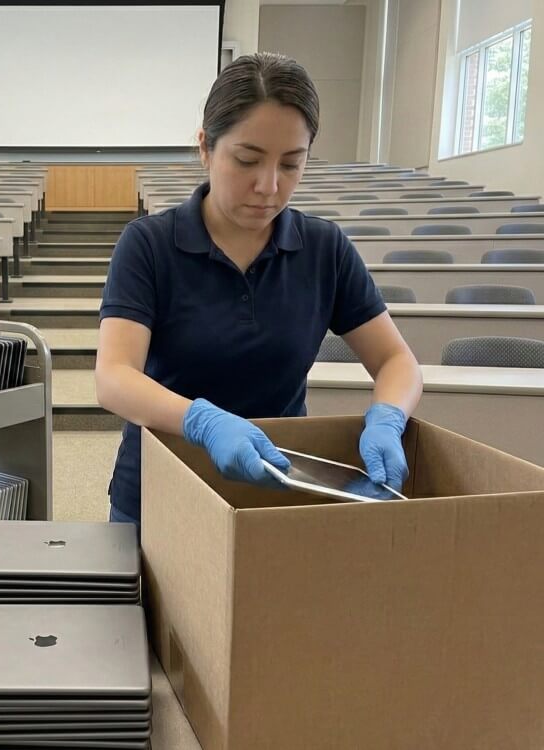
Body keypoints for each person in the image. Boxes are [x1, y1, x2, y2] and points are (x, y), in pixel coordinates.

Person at [95, 52, 423, 528]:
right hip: (159, 492)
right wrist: (202, 422)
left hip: (278, 489)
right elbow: (114, 376)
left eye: (292, 165)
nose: (268, 186)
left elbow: (397, 360)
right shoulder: (149, 245)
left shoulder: (324, 249)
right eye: (247, 160)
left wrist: (389, 418)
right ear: (205, 147)